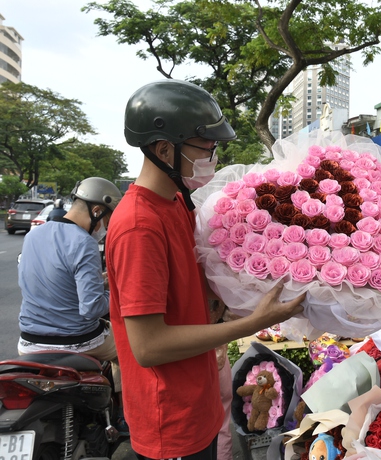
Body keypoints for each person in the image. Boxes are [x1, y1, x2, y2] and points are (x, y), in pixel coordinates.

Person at [107, 79, 305, 460]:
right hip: (170, 421)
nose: (213, 157)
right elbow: (148, 346)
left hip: (198, 403)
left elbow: (194, 283)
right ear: (165, 148)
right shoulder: (138, 225)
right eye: (206, 147)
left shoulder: (178, 202)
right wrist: (253, 322)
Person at [17, 177, 124, 401]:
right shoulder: (84, 243)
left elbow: (51, 281)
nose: (106, 228)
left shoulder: (33, 235)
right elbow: (91, 308)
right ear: (97, 211)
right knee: (130, 346)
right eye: (108, 219)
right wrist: (119, 292)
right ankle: (125, 412)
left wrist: (100, 282)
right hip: (78, 341)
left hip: (28, 342)